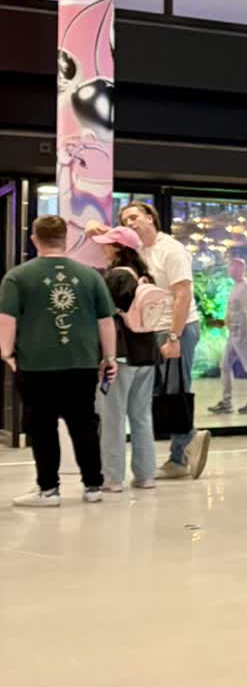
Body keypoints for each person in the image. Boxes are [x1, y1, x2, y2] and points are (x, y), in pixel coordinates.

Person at [0, 213, 117, 508]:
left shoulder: (17, 277)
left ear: (34, 239)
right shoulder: (91, 276)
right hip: (82, 363)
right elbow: (106, 321)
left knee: (42, 426)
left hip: (35, 365)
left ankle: (49, 489)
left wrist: (6, 353)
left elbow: (7, 320)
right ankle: (93, 485)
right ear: (65, 239)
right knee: (84, 423)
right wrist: (109, 357)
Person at [118, 201, 210, 480]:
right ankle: (186, 441)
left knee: (175, 390)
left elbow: (183, 295)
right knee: (159, 392)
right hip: (153, 329)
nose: (130, 223)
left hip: (177, 328)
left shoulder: (171, 250)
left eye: (134, 217)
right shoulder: (139, 250)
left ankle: (180, 456)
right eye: (125, 220)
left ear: (150, 217)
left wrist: (174, 337)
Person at [92, 227, 162, 491]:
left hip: (120, 355)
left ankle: (112, 477)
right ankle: (146, 475)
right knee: (141, 416)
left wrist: (105, 355)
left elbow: (104, 317)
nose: (103, 248)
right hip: (146, 353)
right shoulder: (145, 276)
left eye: (108, 244)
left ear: (119, 248)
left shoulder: (115, 276)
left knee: (113, 416)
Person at [209, 254, 247, 416]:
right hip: (233, 333)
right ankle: (226, 402)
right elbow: (234, 311)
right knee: (225, 365)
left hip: (243, 334)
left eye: (231, 267)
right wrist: (222, 322)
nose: (229, 270)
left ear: (240, 269)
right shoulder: (235, 286)